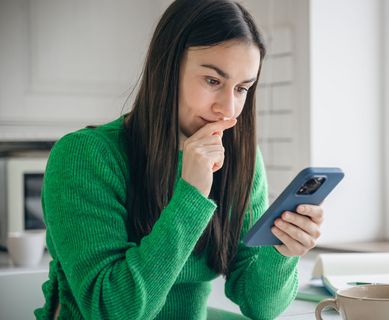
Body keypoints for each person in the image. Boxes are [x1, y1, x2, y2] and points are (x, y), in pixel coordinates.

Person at [34, 0, 324, 319]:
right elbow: (111, 310)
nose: (227, 109)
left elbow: (260, 306)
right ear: (167, 66)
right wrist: (192, 194)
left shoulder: (242, 160)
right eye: (213, 81)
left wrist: (282, 251)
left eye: (242, 88)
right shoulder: (85, 156)